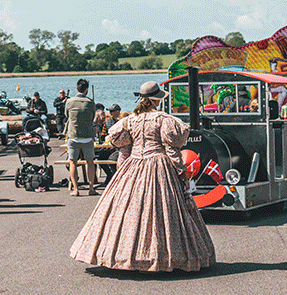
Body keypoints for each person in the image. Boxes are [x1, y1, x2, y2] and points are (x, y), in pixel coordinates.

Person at [70, 80, 215, 272]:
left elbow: (124, 150)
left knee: (129, 212)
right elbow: (172, 151)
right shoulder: (164, 120)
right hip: (159, 165)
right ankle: (164, 256)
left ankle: (124, 255)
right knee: (161, 213)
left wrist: (121, 174)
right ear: (157, 100)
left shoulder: (130, 120)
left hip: (134, 164)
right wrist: (182, 175)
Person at [64, 79, 97, 196]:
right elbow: (92, 117)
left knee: (72, 162)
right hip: (87, 136)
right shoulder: (90, 102)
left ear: (77, 88)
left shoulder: (69, 101)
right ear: (86, 89)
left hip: (73, 135)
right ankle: (91, 188)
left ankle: (76, 189)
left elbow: (66, 115)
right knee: (90, 162)